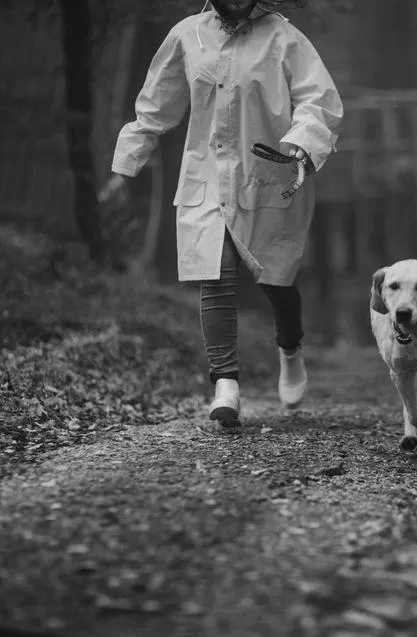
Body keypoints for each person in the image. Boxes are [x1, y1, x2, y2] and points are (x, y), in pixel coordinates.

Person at [102, 0, 343, 427]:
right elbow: (155, 107)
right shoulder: (187, 35)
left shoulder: (284, 38)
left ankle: (289, 347)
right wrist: (125, 168)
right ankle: (225, 383)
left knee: (276, 277)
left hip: (267, 174)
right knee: (216, 272)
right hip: (207, 176)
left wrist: (303, 140)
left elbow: (318, 98)